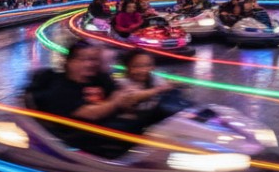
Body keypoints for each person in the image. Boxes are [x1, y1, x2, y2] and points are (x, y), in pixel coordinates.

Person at [27, 43, 176, 157]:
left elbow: (125, 100)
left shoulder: (98, 78)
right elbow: (91, 113)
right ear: (69, 62)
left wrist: (125, 101)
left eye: (93, 59)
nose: (90, 64)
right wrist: (115, 102)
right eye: (83, 59)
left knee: (161, 112)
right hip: (85, 136)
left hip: (111, 126)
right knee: (145, 126)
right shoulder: (60, 87)